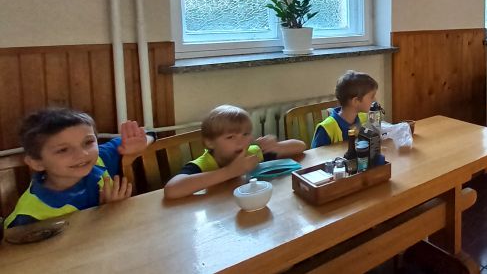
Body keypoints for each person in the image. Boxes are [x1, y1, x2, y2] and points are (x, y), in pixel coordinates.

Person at [4, 108, 153, 229]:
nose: (82, 154)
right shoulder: (29, 216)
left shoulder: (99, 160)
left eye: (88, 142)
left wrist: (139, 144)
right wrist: (104, 212)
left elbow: (149, 133)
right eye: (63, 150)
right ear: (37, 163)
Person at [163, 105, 305, 199]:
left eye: (245, 134)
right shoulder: (202, 164)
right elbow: (171, 190)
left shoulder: (252, 153)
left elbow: (300, 146)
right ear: (210, 142)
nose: (241, 142)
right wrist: (231, 171)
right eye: (230, 137)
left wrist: (277, 146)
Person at [311, 71, 378, 149]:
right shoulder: (326, 129)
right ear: (355, 101)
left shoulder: (364, 118)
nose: (375, 100)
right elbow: (316, 155)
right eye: (372, 96)